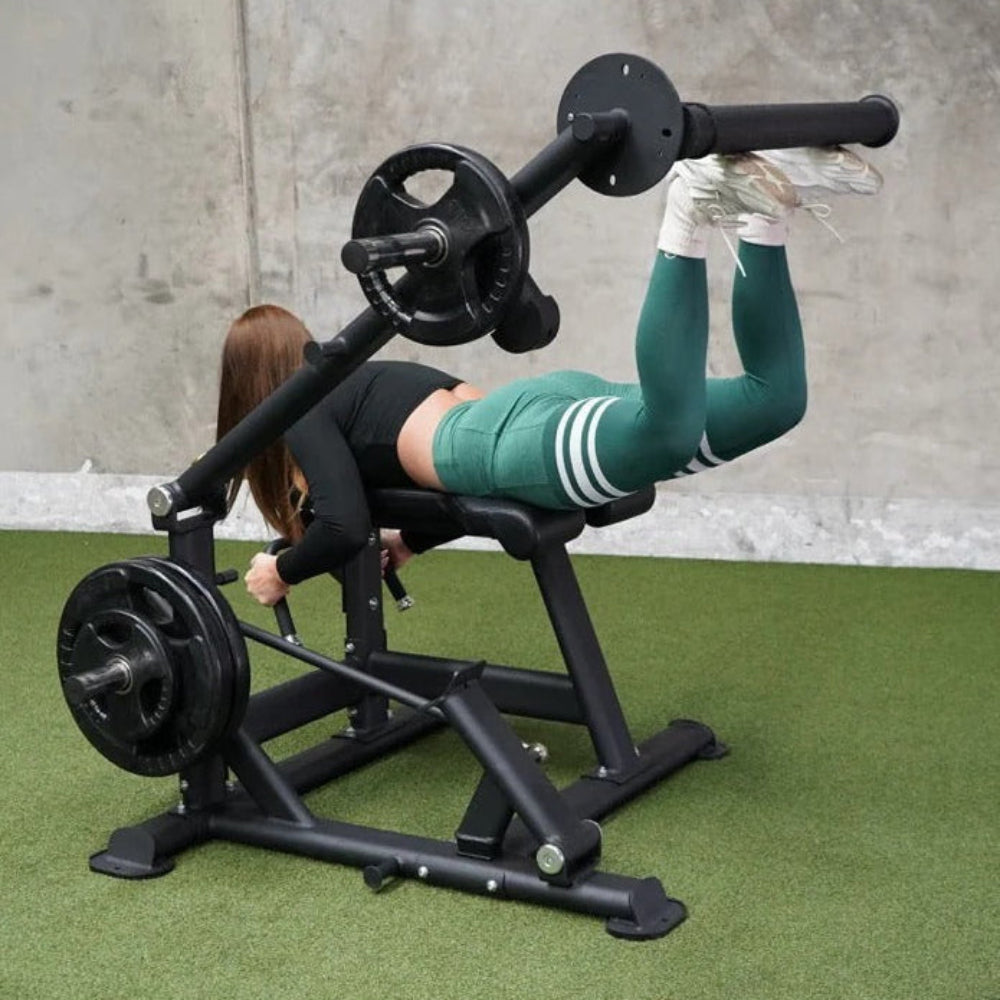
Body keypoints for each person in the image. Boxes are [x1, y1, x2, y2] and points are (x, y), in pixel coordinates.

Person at [217, 146, 882, 606]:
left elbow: (339, 524)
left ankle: (689, 205)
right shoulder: (365, 378)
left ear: (250, 388)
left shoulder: (300, 407)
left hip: (510, 445)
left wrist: (281, 569)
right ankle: (765, 206)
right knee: (776, 400)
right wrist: (411, 543)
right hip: (535, 409)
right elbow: (434, 479)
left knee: (669, 429)